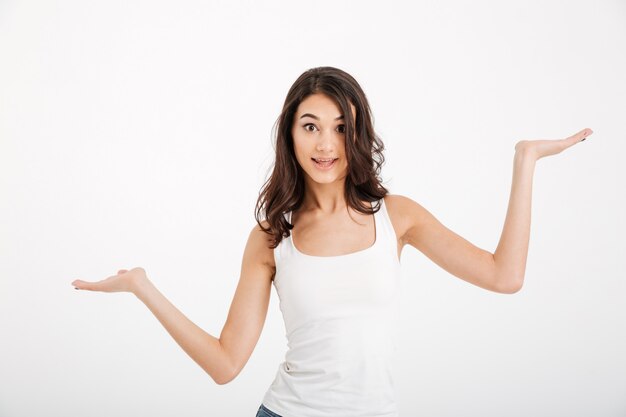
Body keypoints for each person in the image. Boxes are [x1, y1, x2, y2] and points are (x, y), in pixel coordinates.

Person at [71, 66, 593, 417]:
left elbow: (505, 276)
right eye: (311, 126)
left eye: (342, 128)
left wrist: (525, 162)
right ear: (290, 135)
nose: (326, 144)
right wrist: (143, 288)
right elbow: (225, 364)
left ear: (358, 134)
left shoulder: (397, 216)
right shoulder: (271, 237)